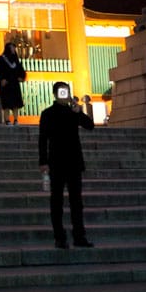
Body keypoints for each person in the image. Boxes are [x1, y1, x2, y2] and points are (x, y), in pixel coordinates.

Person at [38, 82, 95, 249]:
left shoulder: (73, 111)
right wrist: (43, 161)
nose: (65, 95)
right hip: (56, 162)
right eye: (62, 92)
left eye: (67, 92)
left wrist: (79, 112)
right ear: (55, 94)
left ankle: (79, 236)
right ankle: (59, 237)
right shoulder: (47, 114)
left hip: (74, 161)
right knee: (56, 201)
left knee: (76, 201)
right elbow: (43, 139)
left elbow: (90, 126)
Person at [0, 42, 27, 125]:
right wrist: (2, 79)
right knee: (6, 103)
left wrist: (22, 77)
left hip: (14, 84)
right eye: (12, 48)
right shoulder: (0, 59)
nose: (13, 50)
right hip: (6, 85)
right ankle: (7, 120)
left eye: (14, 48)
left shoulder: (16, 60)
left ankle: (15, 120)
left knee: (15, 103)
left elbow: (21, 71)